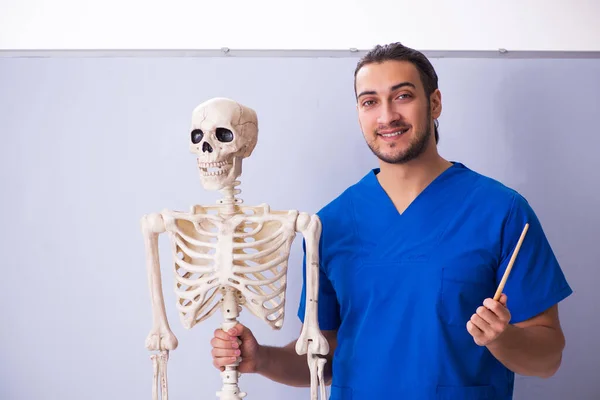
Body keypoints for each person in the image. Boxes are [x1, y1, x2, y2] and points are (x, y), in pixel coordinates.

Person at [210, 42, 572, 399]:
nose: (386, 116)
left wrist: (503, 338)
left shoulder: (501, 212)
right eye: (370, 102)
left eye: (402, 96)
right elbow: (327, 355)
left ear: (434, 103)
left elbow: (547, 358)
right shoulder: (328, 224)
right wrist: (262, 359)